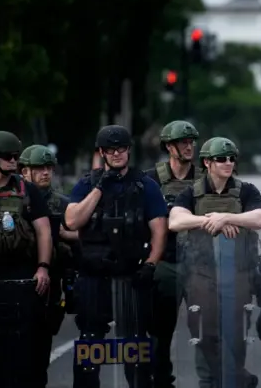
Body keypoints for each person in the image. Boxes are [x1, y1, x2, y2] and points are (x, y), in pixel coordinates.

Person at [65, 125, 168, 388]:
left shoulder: (145, 186)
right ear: (101, 153)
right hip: (93, 277)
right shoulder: (88, 184)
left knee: (134, 347)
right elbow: (73, 221)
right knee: (90, 345)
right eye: (111, 149)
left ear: (129, 150)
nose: (117, 153)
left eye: (121, 148)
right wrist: (101, 186)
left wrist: (151, 264)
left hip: (130, 276)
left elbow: (159, 231)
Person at [167, 137, 261, 388]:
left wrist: (227, 217)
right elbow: (175, 221)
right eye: (222, 158)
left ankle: (232, 380)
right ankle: (239, 378)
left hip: (239, 272)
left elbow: (260, 218)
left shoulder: (246, 190)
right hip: (203, 272)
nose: (228, 163)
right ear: (208, 162)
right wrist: (209, 221)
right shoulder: (192, 192)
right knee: (203, 332)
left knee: (237, 335)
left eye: (232, 158)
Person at [0, 131, 53, 388]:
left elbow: (43, 231)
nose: (15, 161)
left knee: (24, 356)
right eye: (8, 156)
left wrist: (43, 267)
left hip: (21, 280)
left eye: (16, 156)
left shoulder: (28, 191)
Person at [145, 120, 200, 388]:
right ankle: (161, 381)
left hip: (199, 264)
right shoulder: (150, 179)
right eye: (183, 142)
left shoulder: (205, 179)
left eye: (191, 142)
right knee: (160, 331)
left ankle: (210, 380)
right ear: (169, 146)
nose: (189, 146)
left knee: (204, 330)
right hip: (165, 262)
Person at [20, 143, 80, 388]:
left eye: (48, 168)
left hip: (50, 284)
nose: (45, 172)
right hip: (17, 279)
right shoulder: (14, 200)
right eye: (39, 168)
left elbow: (84, 238)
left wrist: (66, 235)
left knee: (39, 355)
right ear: (25, 171)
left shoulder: (63, 204)